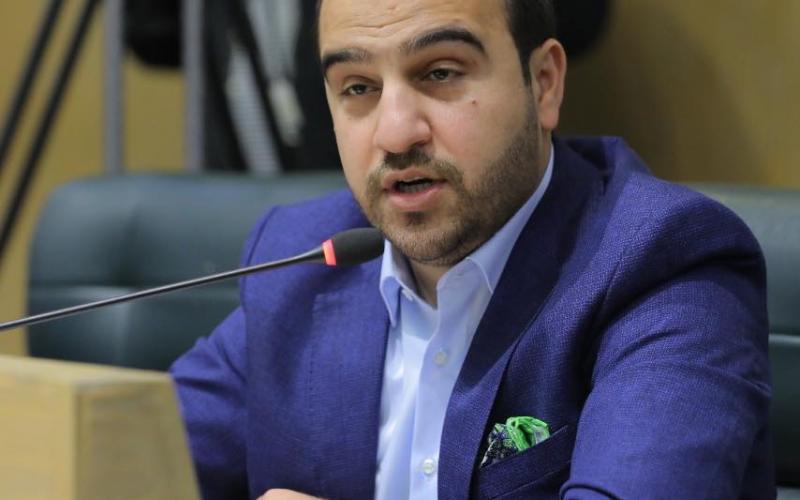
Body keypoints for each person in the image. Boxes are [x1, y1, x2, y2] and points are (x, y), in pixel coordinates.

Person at [170, 0, 774, 498]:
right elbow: (137, 457)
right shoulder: (302, 258)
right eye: (358, 87)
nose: (395, 133)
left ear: (544, 83)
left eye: (440, 73)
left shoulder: (663, 263)